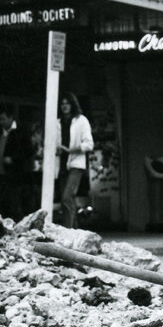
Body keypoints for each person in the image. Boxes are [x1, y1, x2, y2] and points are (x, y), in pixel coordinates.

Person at [56, 91, 94, 228]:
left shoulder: (81, 120)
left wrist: (71, 150)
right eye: (62, 103)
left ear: (73, 104)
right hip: (61, 164)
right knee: (66, 199)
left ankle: (68, 229)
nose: (64, 106)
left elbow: (89, 144)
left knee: (67, 196)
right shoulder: (57, 123)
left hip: (76, 163)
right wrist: (57, 149)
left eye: (67, 103)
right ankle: (75, 231)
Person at [0, 107, 29, 219]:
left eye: (3, 119)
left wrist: (13, 159)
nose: (1, 122)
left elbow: (27, 151)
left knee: (14, 204)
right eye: (0, 119)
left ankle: (17, 229)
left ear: (11, 118)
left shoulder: (21, 131)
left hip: (13, 175)